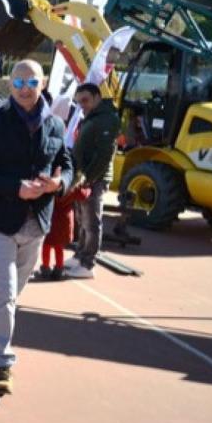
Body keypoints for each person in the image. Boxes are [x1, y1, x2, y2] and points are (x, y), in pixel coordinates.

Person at [0, 59, 73, 396]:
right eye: (19, 83)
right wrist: (15, 187)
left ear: (42, 85)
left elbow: (67, 167)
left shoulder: (55, 125)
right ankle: (2, 362)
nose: (25, 89)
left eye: (32, 83)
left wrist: (57, 183)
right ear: (9, 85)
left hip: (37, 223)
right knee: (4, 295)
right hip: (0, 223)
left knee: (9, 297)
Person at [66, 83, 121, 279]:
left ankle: (88, 263)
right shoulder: (94, 117)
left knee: (91, 221)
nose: (82, 105)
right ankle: (80, 255)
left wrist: (89, 178)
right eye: (79, 102)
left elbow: (104, 154)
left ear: (97, 97)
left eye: (86, 100)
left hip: (94, 179)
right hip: (85, 177)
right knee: (83, 219)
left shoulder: (106, 119)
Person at [40, 185, 90, 280]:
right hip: (64, 221)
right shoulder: (72, 187)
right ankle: (59, 269)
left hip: (50, 218)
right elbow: (83, 195)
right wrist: (88, 188)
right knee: (59, 247)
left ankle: (45, 268)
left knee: (46, 246)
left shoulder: (52, 185)